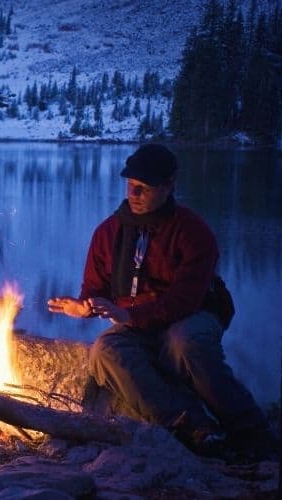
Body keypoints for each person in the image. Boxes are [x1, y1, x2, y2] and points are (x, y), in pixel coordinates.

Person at [47, 143, 272, 458]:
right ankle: (191, 426)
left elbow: (184, 300)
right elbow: (96, 289)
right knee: (106, 350)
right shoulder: (108, 233)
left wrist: (129, 317)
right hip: (136, 320)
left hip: (192, 314)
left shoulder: (193, 232)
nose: (134, 194)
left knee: (185, 342)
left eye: (145, 188)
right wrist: (84, 307)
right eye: (130, 186)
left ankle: (250, 430)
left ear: (169, 186)